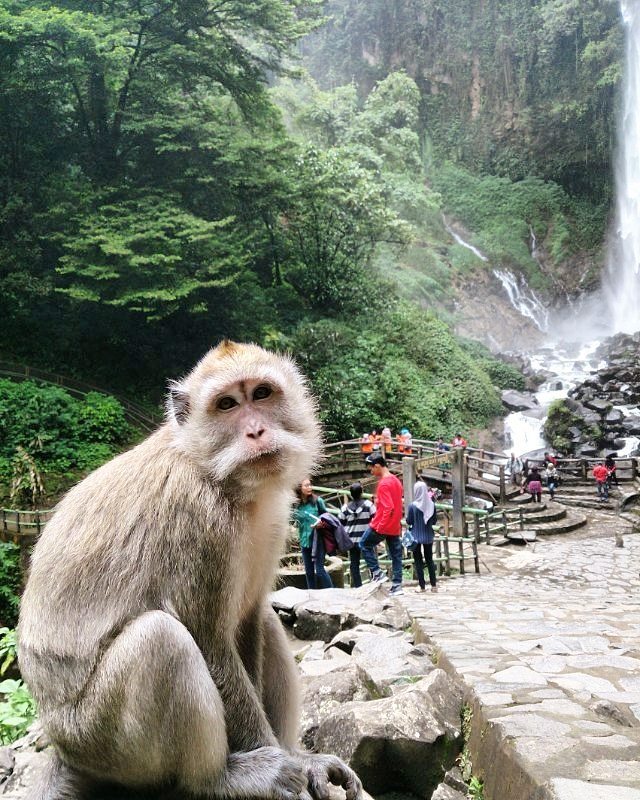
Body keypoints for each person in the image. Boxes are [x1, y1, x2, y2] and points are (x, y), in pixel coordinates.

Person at [360, 454, 404, 596]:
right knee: (396, 555)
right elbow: (397, 505)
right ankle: (397, 586)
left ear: (377, 466)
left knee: (364, 544)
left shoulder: (384, 483)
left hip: (382, 524)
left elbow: (388, 507)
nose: (370, 471)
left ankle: (378, 573)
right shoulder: (396, 481)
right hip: (395, 525)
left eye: (371, 467)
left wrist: (380, 526)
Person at [293, 479, 333, 589]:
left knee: (319, 571)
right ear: (299, 488)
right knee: (309, 573)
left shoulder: (317, 501)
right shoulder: (296, 505)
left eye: (310, 485)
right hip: (304, 541)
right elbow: (293, 520)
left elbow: (327, 518)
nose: (310, 487)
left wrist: (321, 523)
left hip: (317, 540)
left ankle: (332, 593)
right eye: (306, 485)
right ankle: (312, 596)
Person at [338, 482, 376, 588]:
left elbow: (340, 523)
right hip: (366, 539)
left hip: (351, 541)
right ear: (362, 492)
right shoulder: (368, 505)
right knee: (371, 561)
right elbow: (376, 518)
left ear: (350, 494)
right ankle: (375, 583)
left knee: (354, 564)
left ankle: (358, 587)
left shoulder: (345, 508)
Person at [406, 481, 437, 594]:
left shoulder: (412, 506)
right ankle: (434, 585)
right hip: (428, 535)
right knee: (429, 560)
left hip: (416, 537)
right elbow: (434, 521)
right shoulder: (432, 505)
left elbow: (409, 521)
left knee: (418, 561)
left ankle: (422, 586)